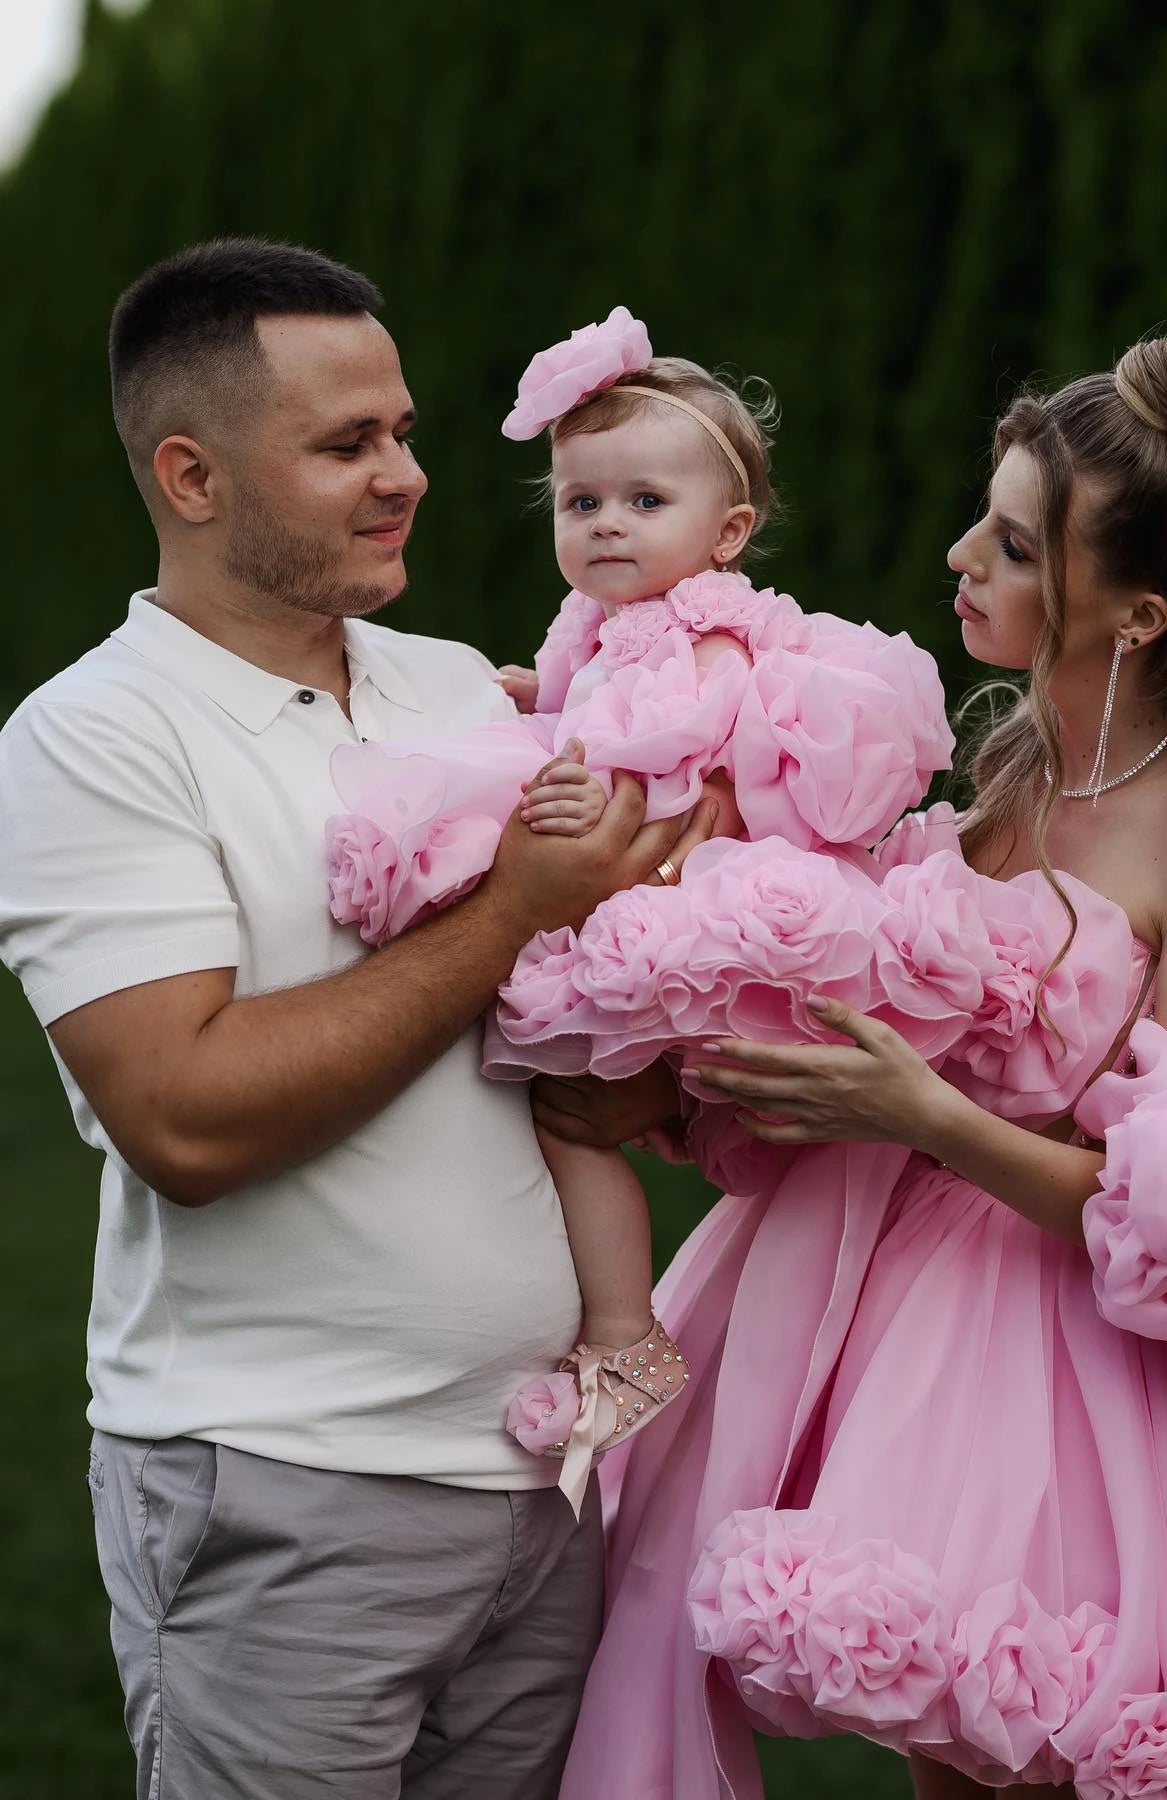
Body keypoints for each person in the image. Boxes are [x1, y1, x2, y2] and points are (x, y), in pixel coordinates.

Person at [540, 331, 1167, 1798]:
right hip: (904, 1291)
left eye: (1015, 545)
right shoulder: (1018, 765)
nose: (961, 556)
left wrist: (925, 1114)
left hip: (1100, 1377)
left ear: (1138, 614)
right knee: (950, 1765)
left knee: (1054, 1746)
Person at [0, 239, 713, 1800]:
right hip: (285, 1494)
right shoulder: (93, 737)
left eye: (400, 432)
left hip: (544, 1482)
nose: (407, 475)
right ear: (191, 476)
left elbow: (557, 1023)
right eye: (346, 445)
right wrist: (517, 904)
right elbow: (185, 1118)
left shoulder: (462, 686)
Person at [323, 306, 954, 1511]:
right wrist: (532, 693)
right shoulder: (598, 627)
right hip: (632, 890)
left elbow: (667, 730)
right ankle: (624, 1336)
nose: (607, 523)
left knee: (569, 1103)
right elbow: (584, 695)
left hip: (691, 897)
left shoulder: (713, 628)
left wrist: (564, 736)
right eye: (580, 502)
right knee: (569, 1115)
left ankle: (625, 1335)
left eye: (642, 504)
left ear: (729, 533)